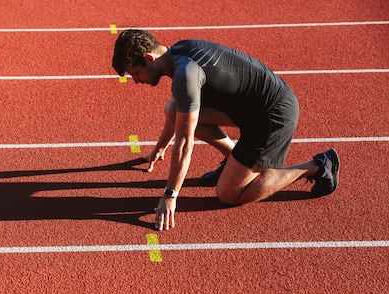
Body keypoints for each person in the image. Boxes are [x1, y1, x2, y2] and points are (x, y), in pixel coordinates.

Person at [112, 30, 340, 231]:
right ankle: (234, 159)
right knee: (174, 108)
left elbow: (184, 142)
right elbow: (178, 120)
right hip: (250, 109)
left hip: (272, 116)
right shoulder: (178, 52)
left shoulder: (184, 75)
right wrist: (158, 149)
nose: (135, 81)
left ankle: (317, 166)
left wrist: (170, 194)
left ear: (149, 58)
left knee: (228, 194)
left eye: (135, 74)